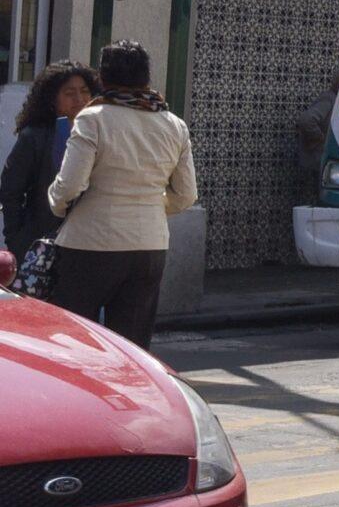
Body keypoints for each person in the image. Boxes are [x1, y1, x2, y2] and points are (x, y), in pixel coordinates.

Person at [45, 42, 196, 348]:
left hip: (89, 244)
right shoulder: (174, 125)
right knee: (131, 349)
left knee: (74, 342)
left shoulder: (92, 118)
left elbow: (70, 185)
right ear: (146, 78)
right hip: (150, 247)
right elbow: (186, 194)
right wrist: (151, 207)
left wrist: (57, 205)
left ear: (103, 77)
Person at [2, 61, 96, 260]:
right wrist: (16, 240)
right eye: (70, 93)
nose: (79, 99)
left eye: (85, 91)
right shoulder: (35, 137)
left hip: (89, 246)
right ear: (52, 99)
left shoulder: (101, 134)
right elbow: (11, 190)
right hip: (41, 246)